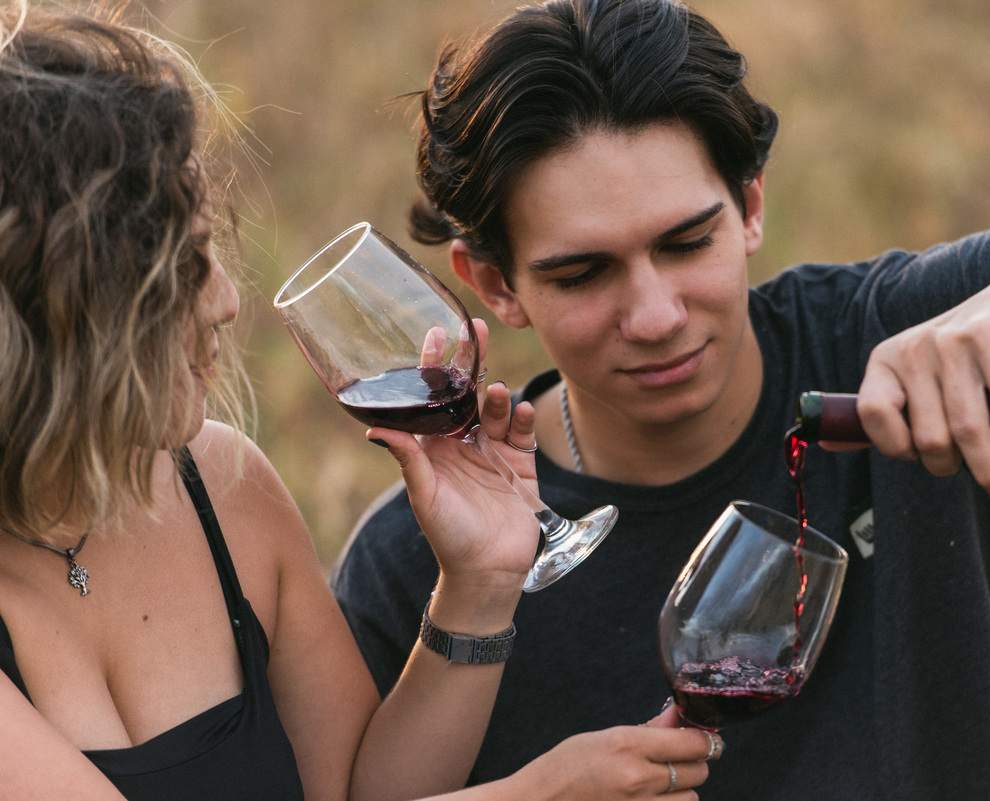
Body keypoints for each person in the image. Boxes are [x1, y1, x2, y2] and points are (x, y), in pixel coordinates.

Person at [330, 0, 990, 798]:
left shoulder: (885, 338)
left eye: (686, 242)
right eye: (583, 273)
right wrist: (479, 607)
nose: (656, 316)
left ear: (749, 206)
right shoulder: (423, 554)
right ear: (496, 285)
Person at [0, 3, 720, 799]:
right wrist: (538, 793)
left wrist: (478, 586)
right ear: (53, 314)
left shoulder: (225, 487)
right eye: (185, 266)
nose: (226, 301)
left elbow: (358, 790)